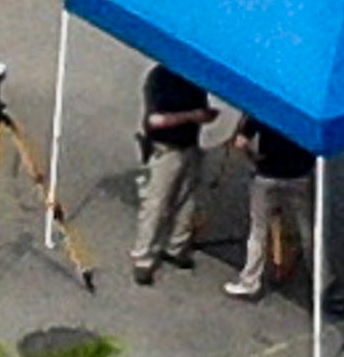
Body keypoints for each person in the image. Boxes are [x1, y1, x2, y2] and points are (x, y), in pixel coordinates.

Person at [130, 62, 219, 286]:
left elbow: (201, 111)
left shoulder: (194, 77)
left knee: (187, 200)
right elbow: (155, 120)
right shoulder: (160, 78)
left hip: (190, 145)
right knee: (156, 203)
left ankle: (176, 246)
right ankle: (143, 257)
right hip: (165, 148)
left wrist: (205, 116)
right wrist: (193, 116)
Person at [225, 114, 315, 301]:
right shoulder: (306, 112)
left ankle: (250, 282)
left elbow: (240, 143)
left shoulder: (264, 108)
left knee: (258, 229)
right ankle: (321, 278)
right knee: (309, 229)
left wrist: (254, 159)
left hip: (267, 174)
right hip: (300, 174)